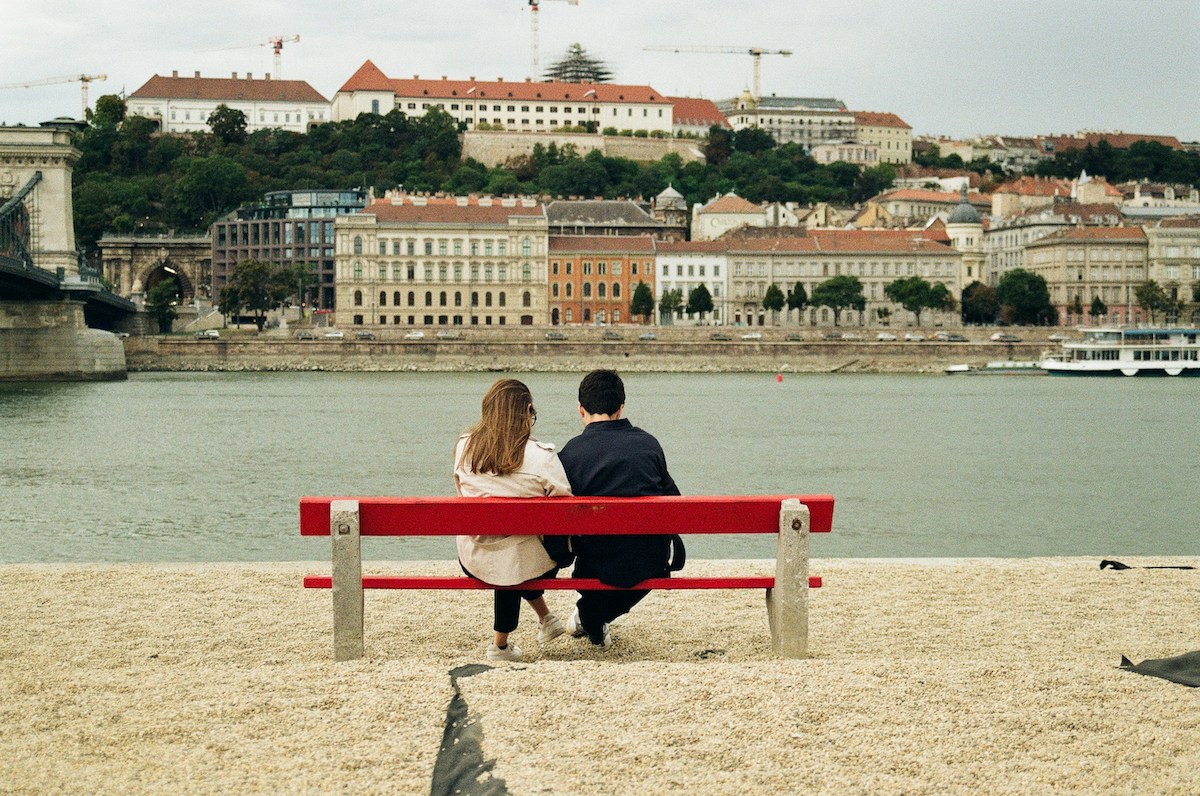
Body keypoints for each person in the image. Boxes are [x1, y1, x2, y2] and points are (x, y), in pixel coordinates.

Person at [557, 369, 683, 649]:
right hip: (650, 564)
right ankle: (590, 616)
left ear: (580, 410)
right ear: (621, 407)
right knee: (633, 563)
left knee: (599, 576)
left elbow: (560, 518)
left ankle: (590, 615)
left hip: (593, 565)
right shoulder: (648, 444)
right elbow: (675, 504)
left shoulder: (570, 453)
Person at [454, 378, 572, 662]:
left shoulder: (464, 448)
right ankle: (500, 646)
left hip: (475, 556)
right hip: (529, 562)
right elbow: (566, 504)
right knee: (518, 553)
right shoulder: (540, 457)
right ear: (527, 411)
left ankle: (545, 619)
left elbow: (461, 493)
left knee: (508, 550)